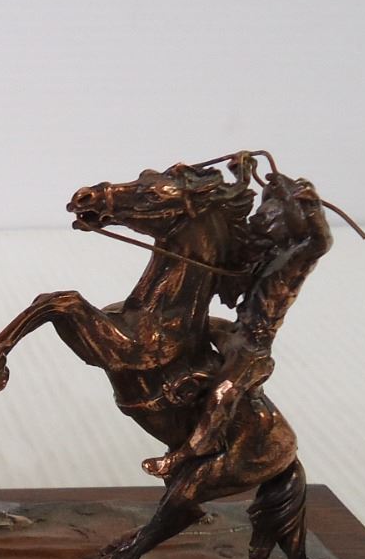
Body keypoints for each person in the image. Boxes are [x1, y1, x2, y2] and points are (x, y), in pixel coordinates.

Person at [142, 164, 335, 480]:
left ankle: (188, 452)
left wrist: (311, 208)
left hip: (252, 348)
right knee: (179, 329)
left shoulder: (295, 261)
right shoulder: (264, 254)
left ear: (285, 225)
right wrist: (243, 173)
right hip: (230, 331)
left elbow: (320, 242)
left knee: (224, 393)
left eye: (268, 218)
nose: (258, 221)